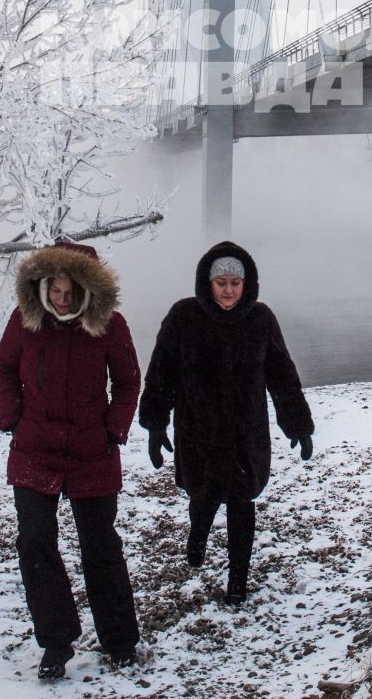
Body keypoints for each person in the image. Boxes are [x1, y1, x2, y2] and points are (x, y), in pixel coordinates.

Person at [0, 241, 141, 681]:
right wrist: (13, 419)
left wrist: (113, 430)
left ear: (87, 289)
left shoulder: (110, 326)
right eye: (55, 290)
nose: (62, 299)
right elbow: (4, 369)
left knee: (100, 547)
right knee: (35, 543)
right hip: (34, 450)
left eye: (70, 291)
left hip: (91, 452)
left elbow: (129, 382)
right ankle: (56, 642)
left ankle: (120, 640)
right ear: (43, 286)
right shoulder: (25, 322)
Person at [138, 240, 314, 605]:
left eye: (236, 282)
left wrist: (298, 424)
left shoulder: (261, 320)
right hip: (197, 431)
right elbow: (160, 374)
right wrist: (156, 424)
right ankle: (198, 535)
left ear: (246, 283)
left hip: (245, 433)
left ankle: (238, 577)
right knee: (202, 496)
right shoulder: (183, 317)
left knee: (241, 502)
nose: (229, 290)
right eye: (222, 283)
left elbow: (282, 375)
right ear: (208, 282)